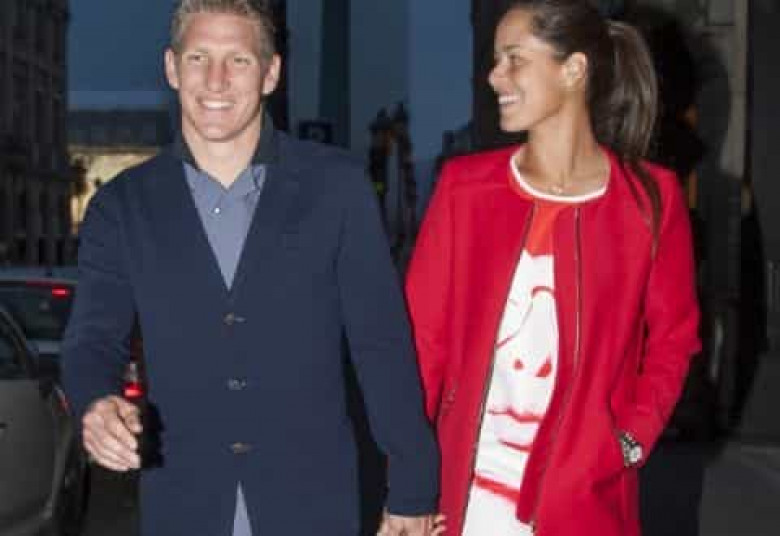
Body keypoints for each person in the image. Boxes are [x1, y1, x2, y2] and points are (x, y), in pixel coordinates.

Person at [61, 1, 440, 535]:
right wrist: (95, 402)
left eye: (238, 60)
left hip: (312, 505)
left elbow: (381, 344)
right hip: (184, 505)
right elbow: (92, 339)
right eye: (198, 57)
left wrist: (414, 486)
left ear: (271, 73)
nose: (215, 79)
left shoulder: (337, 188)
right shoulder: (122, 206)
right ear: (172, 67)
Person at [404, 1, 701, 535]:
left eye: (514, 58)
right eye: (495, 60)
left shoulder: (649, 200)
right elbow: (422, 345)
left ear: (573, 70)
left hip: (585, 500)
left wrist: (629, 440)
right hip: (466, 497)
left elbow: (674, 339)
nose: (495, 76)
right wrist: (410, 481)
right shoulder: (464, 189)